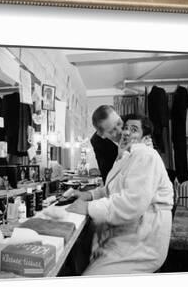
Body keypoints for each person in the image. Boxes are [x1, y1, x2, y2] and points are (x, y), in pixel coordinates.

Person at [66, 114, 173, 275]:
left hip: (142, 241)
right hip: (127, 234)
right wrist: (89, 195)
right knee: (83, 255)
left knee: (89, 279)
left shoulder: (146, 155)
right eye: (125, 128)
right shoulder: (125, 156)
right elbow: (111, 189)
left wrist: (88, 207)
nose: (126, 132)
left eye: (134, 129)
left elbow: (131, 203)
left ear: (145, 136)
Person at [89, 105, 123, 182]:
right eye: (112, 131)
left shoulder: (131, 122)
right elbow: (107, 177)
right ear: (103, 135)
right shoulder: (98, 142)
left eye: (119, 123)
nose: (120, 131)